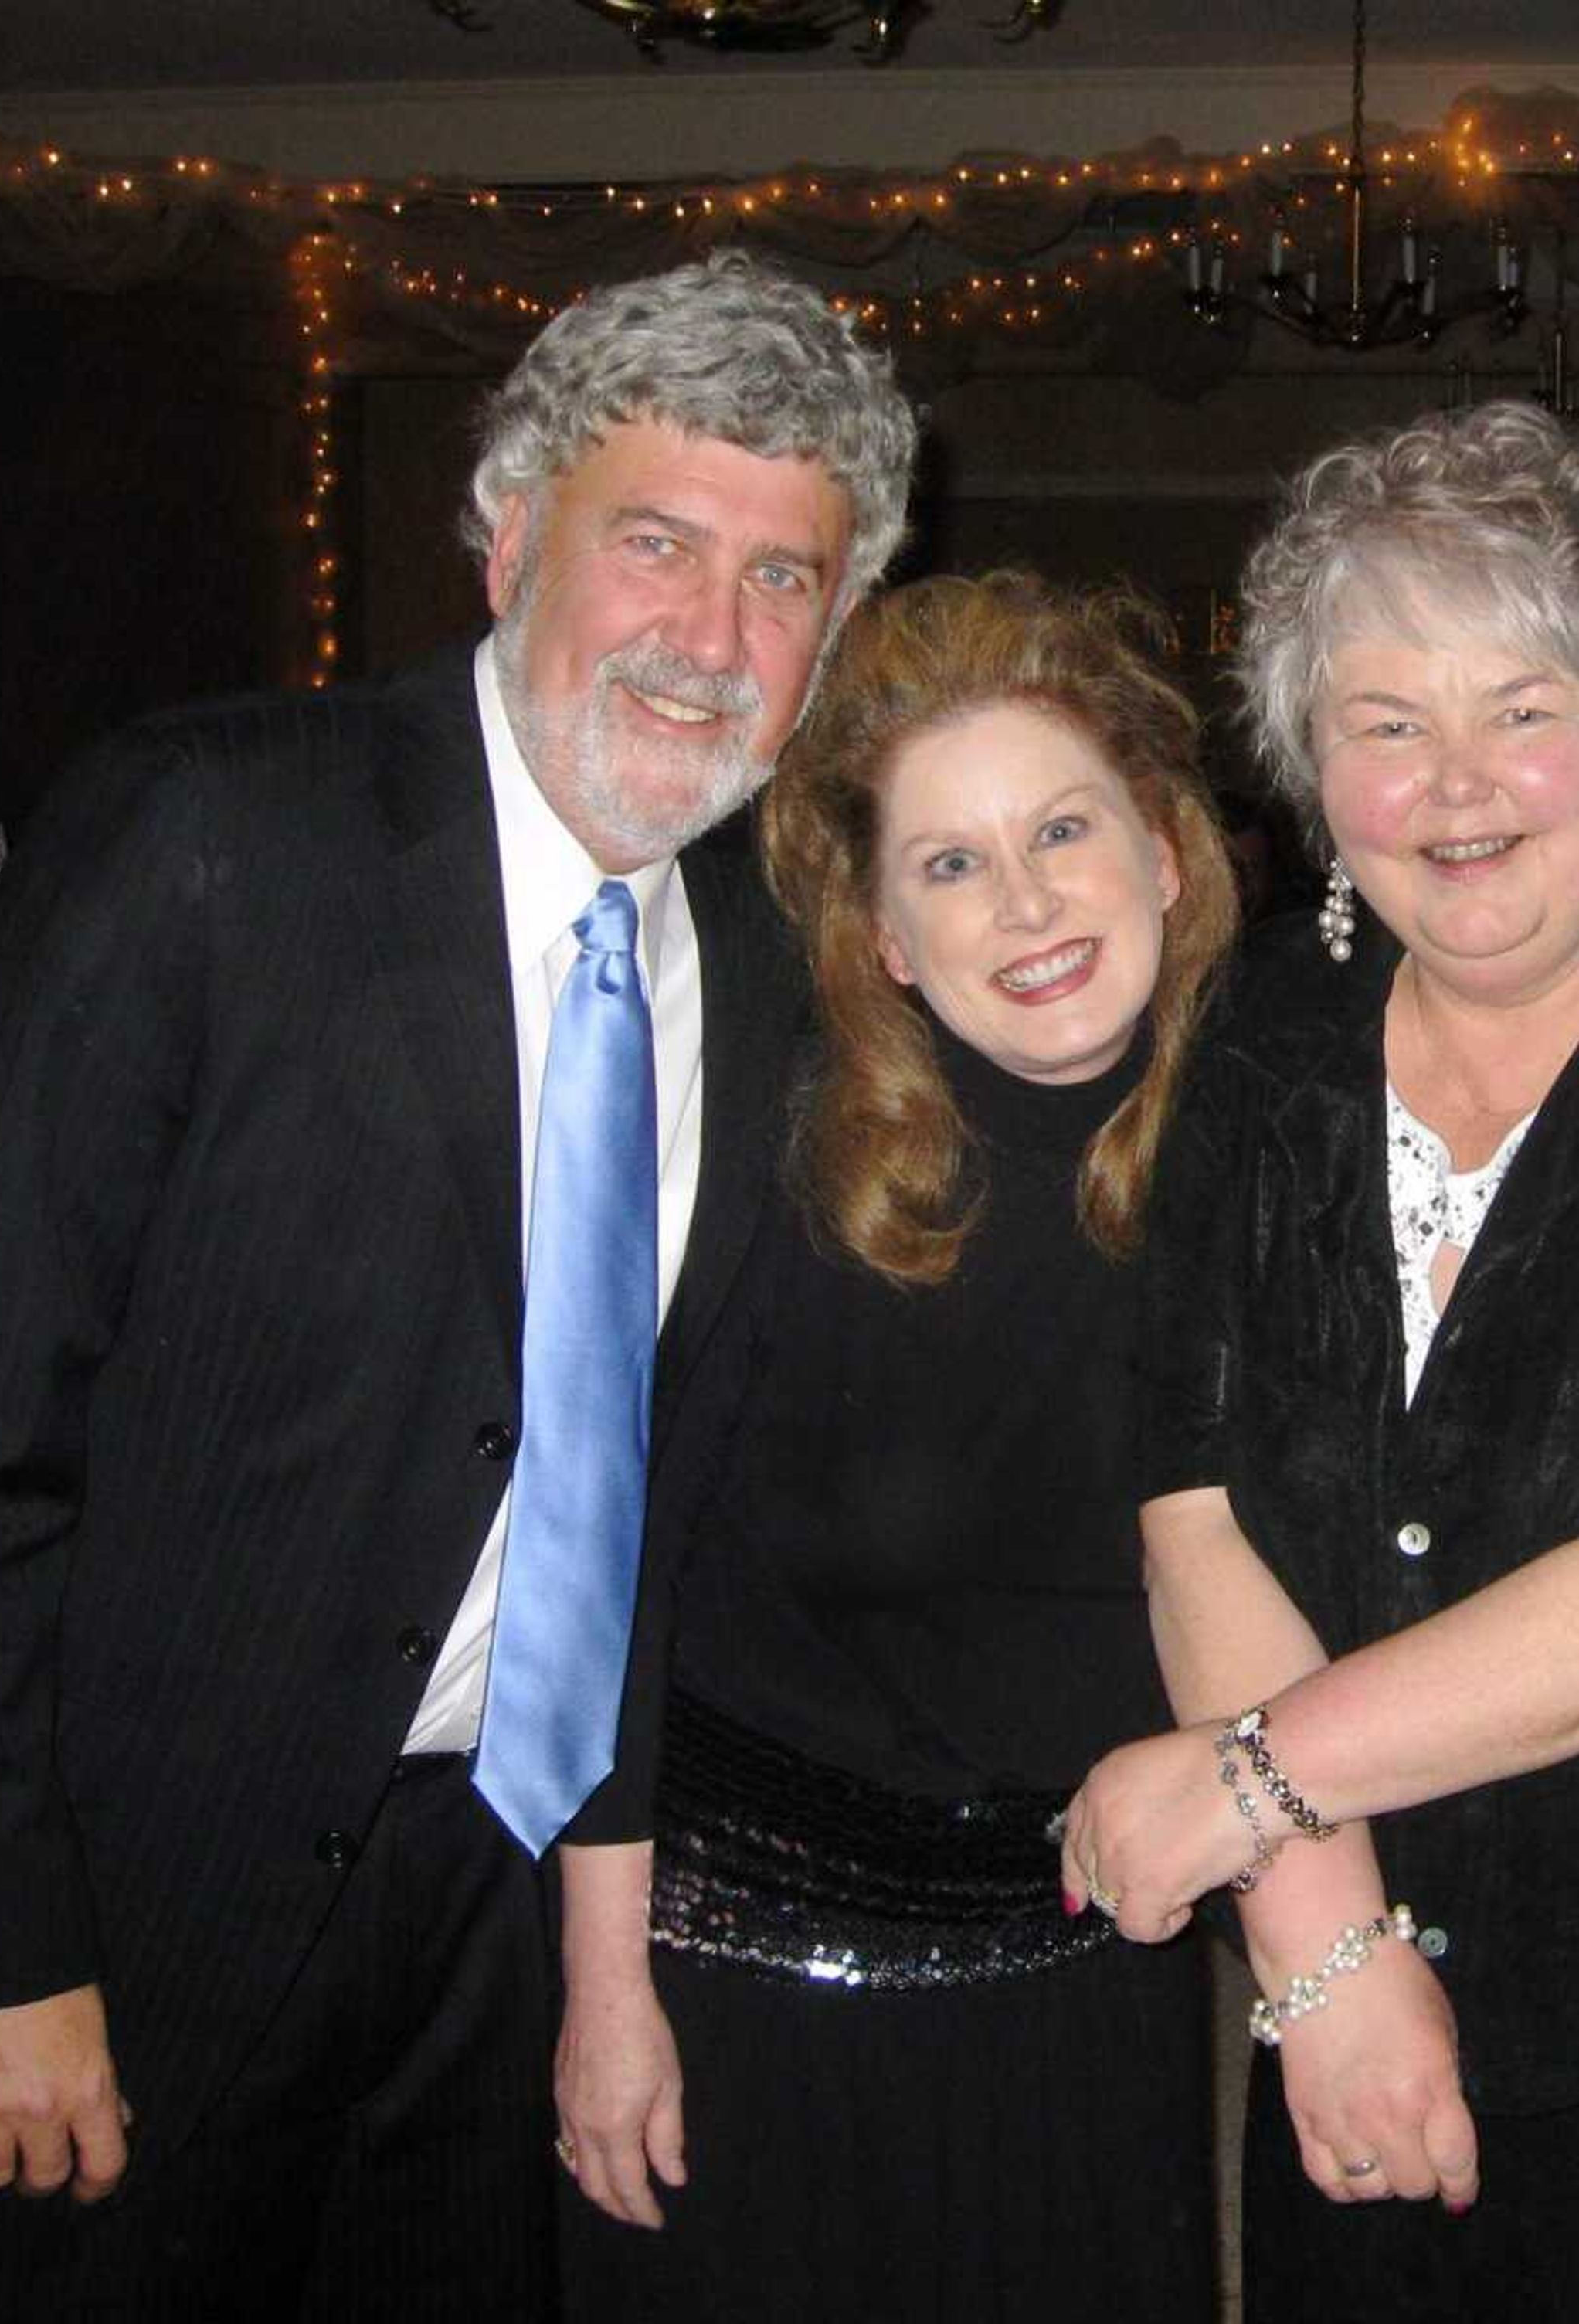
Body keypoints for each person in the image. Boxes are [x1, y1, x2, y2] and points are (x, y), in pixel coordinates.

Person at [0, 252, 917, 2317]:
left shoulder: (773, 968)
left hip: (506, 1919)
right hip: (136, 1899)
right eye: (657, 545)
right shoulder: (205, 840)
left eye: (782, 581)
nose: (709, 638)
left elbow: (643, 1479)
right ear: (511, 533)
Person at [1061, 401, 1579, 2319]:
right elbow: (1192, 1504)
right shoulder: (1264, 1017)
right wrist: (1328, 1949)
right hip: (1327, 1988)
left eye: (1522, 704)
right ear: (1308, 763)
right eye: (1381, 723)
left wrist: (1240, 1786)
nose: (1455, 784)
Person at [550, 572, 1238, 2319]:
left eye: (1065, 828)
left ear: (1164, 848)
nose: (1025, 903)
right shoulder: (777, 1167)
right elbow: (601, 1573)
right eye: (947, 862)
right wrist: (601, 1980)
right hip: (749, 1975)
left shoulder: (1270, 1155)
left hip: (1093, 1965)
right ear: (875, 935)